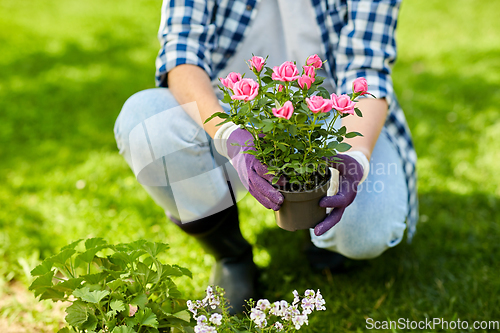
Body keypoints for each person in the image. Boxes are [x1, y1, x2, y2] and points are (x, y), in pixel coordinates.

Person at [114, 0, 418, 313]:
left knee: (366, 231)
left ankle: (327, 238)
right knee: (143, 120)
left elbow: (367, 70)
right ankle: (231, 255)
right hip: (227, 111)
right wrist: (228, 135)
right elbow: (182, 55)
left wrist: (357, 158)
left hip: (333, 115)